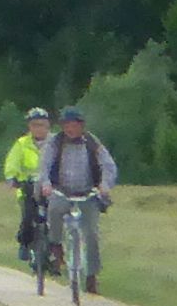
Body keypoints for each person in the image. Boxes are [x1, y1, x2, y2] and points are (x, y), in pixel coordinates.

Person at [34, 107, 117, 286]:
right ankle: (56, 247)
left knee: (91, 233)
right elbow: (44, 166)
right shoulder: (55, 143)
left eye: (73, 125)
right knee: (55, 210)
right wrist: (46, 184)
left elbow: (109, 166)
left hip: (87, 193)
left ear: (81, 126)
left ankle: (91, 276)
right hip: (61, 191)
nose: (70, 129)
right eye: (66, 125)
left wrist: (105, 185)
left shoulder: (92, 143)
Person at [4, 106, 52, 265]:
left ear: (48, 126)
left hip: (50, 188)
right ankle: (25, 243)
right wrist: (12, 178)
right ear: (29, 127)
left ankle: (53, 252)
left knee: (55, 218)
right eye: (34, 125)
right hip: (27, 188)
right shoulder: (22, 143)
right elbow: (12, 163)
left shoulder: (55, 142)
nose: (38, 129)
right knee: (28, 217)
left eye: (42, 125)